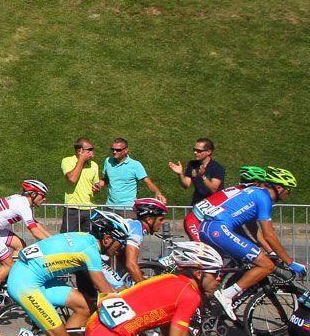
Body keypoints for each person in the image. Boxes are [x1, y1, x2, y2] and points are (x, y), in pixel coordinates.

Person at [202, 167, 304, 320]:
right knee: (267, 266)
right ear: (278, 187)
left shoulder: (256, 193)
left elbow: (254, 230)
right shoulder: (265, 198)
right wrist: (290, 262)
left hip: (210, 227)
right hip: (219, 228)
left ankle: (206, 305)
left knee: (255, 260)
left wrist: (272, 252)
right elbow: (269, 234)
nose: (288, 194)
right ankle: (226, 296)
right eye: (288, 190)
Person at [8, 218, 128, 336]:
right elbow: (104, 289)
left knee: (85, 308)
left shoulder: (85, 238)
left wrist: (123, 293)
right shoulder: (90, 252)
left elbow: (107, 280)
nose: (122, 248)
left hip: (35, 278)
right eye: (121, 243)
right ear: (107, 239)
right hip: (23, 283)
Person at [84, 241, 223, 336]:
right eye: (216, 273)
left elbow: (167, 324)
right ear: (199, 274)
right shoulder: (191, 295)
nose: (219, 278)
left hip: (96, 323)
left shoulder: (168, 279)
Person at [0, 179, 53, 312]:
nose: (44, 199)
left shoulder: (20, 200)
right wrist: (52, 243)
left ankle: (6, 280)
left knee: (21, 245)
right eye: (42, 195)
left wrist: (52, 238)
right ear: (33, 194)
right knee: (8, 264)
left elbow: (35, 224)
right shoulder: (23, 205)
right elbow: (34, 231)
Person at [99, 137, 166, 207]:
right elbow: (107, 179)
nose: (114, 152)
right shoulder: (108, 161)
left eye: (118, 150)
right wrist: (98, 185)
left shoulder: (135, 165)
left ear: (126, 150)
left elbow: (148, 182)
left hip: (128, 208)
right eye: (112, 149)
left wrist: (158, 193)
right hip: (110, 207)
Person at [167, 138, 224, 205]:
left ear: (209, 152)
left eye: (199, 151)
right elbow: (186, 185)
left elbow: (213, 189)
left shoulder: (216, 167)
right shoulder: (192, 164)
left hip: (214, 205)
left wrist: (203, 177)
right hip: (197, 204)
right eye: (194, 150)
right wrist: (180, 174)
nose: (195, 152)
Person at [124, 198, 169, 283]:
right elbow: (131, 264)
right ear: (149, 220)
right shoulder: (136, 231)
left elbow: (123, 257)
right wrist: (145, 287)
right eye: (161, 219)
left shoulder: (134, 225)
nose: (163, 222)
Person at [61, 137, 102, 232]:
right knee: (69, 239)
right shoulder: (67, 161)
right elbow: (72, 179)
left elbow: (95, 186)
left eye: (92, 149)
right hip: (73, 208)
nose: (92, 152)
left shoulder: (94, 165)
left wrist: (96, 189)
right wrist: (81, 160)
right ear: (80, 151)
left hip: (90, 209)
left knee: (89, 239)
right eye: (89, 150)